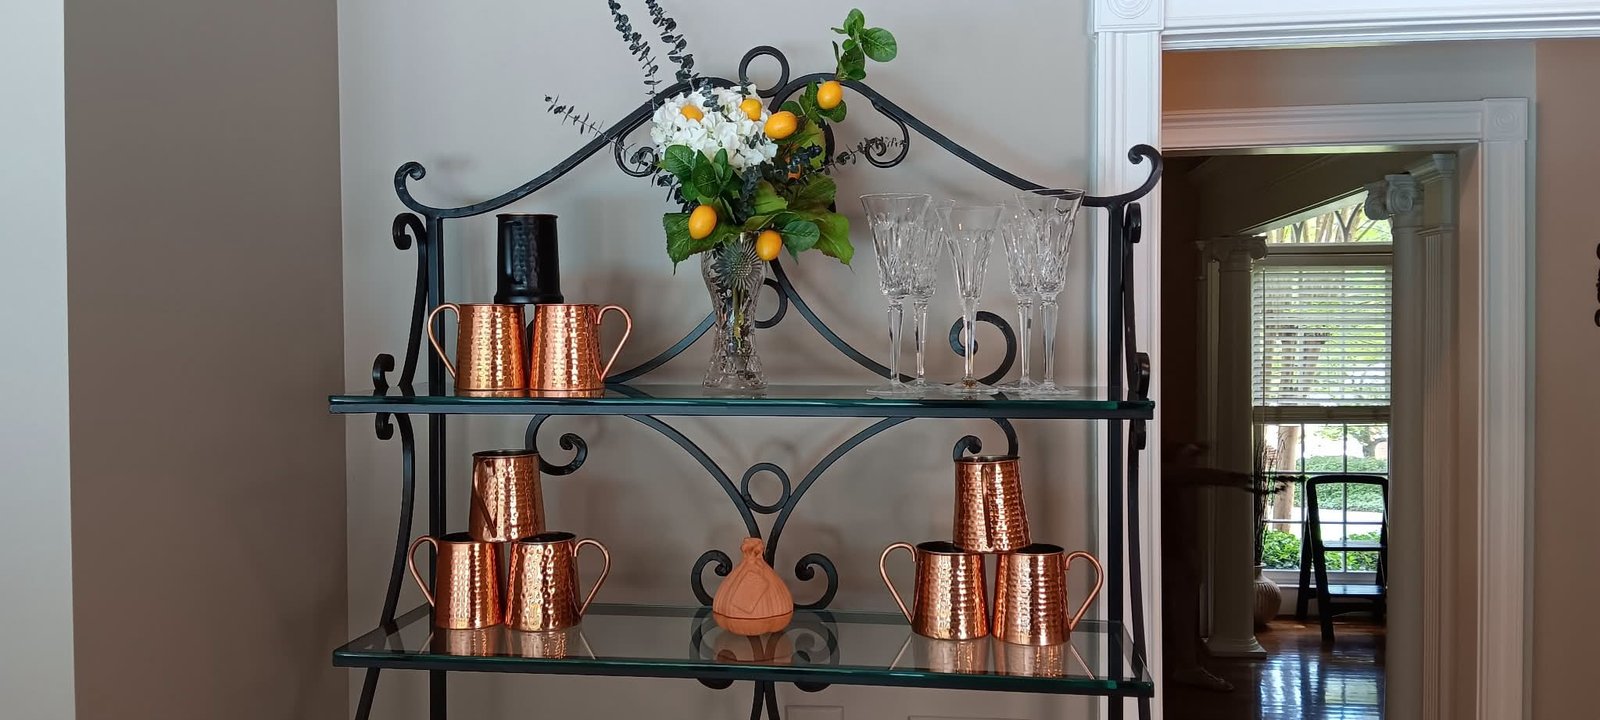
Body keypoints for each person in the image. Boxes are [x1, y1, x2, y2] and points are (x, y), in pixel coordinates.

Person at [1161, 442, 1260, 692]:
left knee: (1184, 608)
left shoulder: (1177, 479)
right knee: (1180, 607)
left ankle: (1189, 659)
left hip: (1181, 553)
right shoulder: (1168, 474)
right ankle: (1187, 667)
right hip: (1174, 553)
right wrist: (1232, 478)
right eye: (1189, 453)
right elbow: (1184, 475)